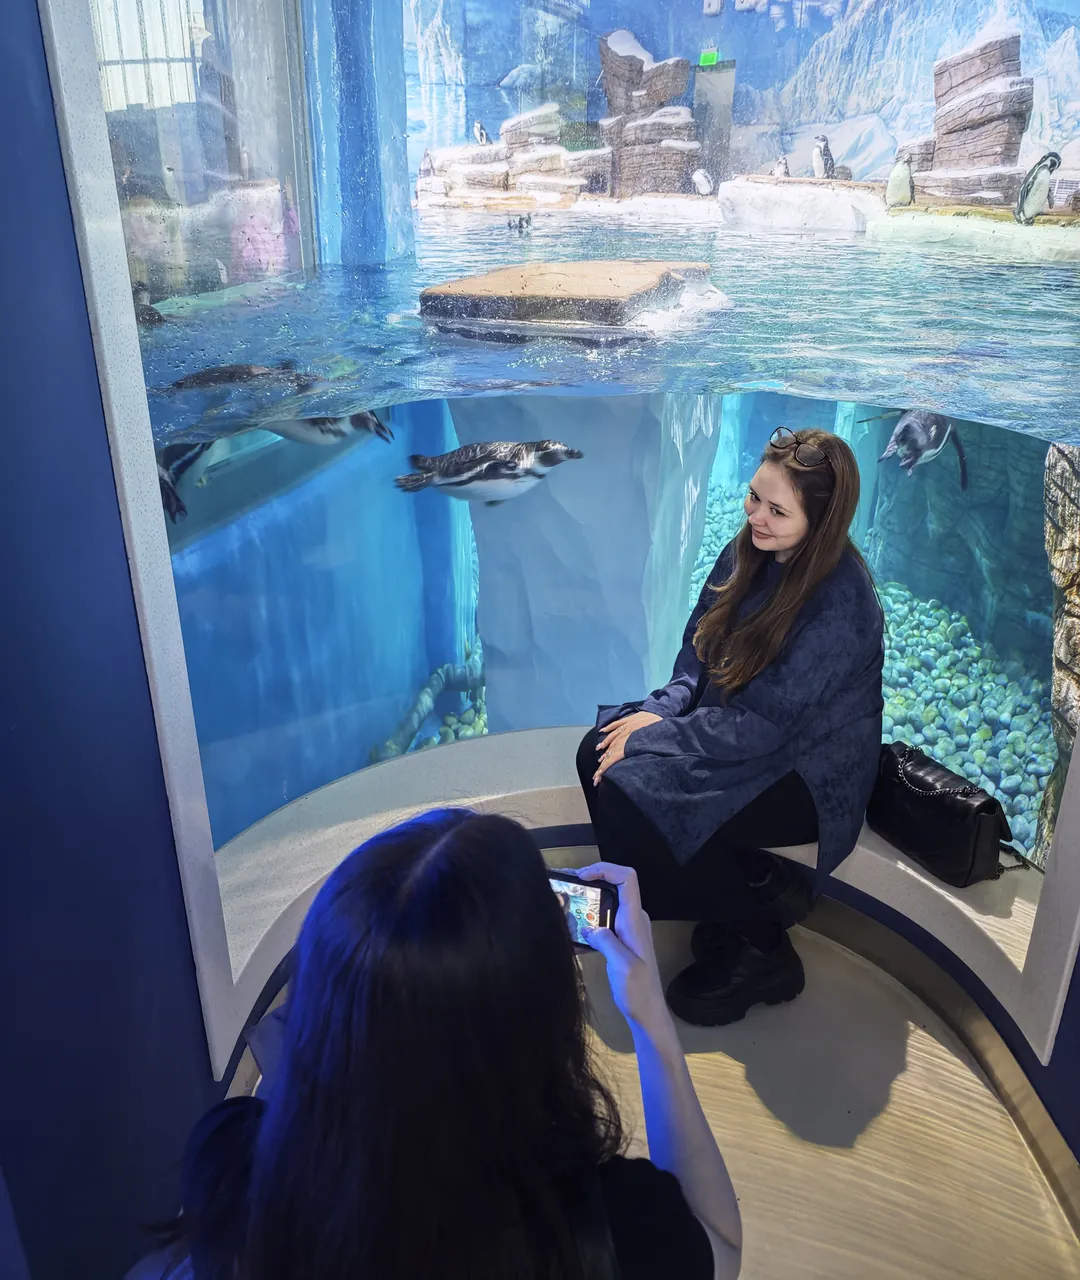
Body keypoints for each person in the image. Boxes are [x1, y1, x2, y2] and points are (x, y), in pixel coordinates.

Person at [159, 810, 742, 1280]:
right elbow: (720, 1244)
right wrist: (651, 1023)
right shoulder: (614, 1232)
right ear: (536, 1026)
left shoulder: (227, 1164)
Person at [577, 426, 884, 1029]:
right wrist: (658, 714)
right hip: (739, 730)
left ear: (821, 522)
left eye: (776, 510)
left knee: (631, 787)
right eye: (753, 498)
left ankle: (762, 934)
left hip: (805, 774)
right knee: (598, 752)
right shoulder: (750, 548)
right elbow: (696, 657)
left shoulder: (842, 604)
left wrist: (653, 739)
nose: (755, 517)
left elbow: (764, 728)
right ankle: (745, 889)